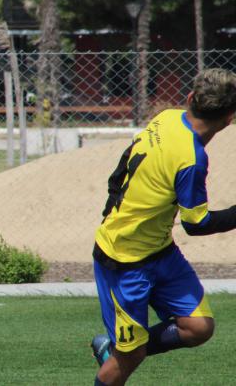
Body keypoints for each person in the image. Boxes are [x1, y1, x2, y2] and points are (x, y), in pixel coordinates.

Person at [90, 68, 236, 386]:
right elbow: (196, 224)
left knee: (198, 327)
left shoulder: (167, 117)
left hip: (160, 251)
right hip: (123, 261)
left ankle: (116, 349)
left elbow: (125, 162)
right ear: (229, 119)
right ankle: (119, 353)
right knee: (128, 359)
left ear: (189, 99)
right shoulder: (192, 159)